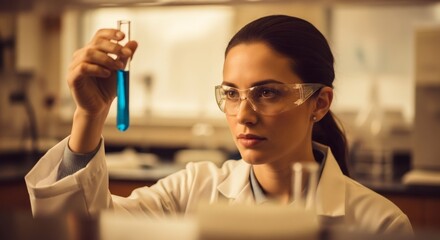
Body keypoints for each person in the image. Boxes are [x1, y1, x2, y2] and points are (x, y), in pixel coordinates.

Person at [25, 15, 412, 234]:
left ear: (319, 103)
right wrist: (89, 116)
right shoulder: (191, 191)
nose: (243, 114)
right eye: (231, 93)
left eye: (267, 93)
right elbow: (75, 230)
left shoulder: (379, 225)